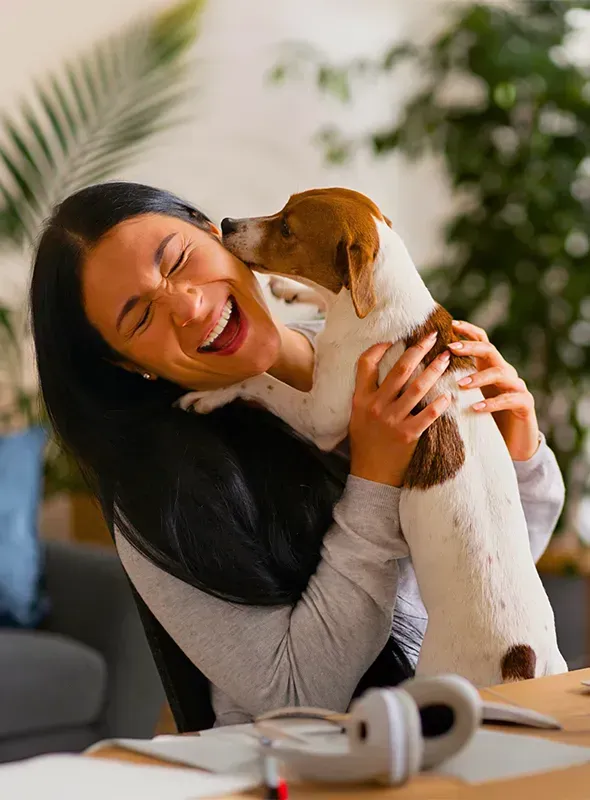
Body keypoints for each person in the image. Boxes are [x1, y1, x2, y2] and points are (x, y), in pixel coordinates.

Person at [31, 182, 565, 726]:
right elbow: (291, 694)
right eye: (140, 317)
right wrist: (374, 485)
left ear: (213, 232)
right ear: (129, 365)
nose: (189, 305)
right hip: (320, 765)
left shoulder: (389, 351)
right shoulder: (163, 491)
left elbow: (498, 566)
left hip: (478, 715)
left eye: (180, 259)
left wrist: (515, 441)